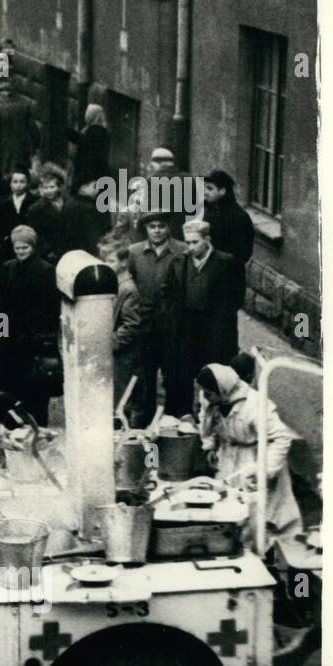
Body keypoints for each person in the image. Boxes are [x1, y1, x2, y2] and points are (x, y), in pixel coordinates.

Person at [196, 364, 301, 544]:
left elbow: (281, 437)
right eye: (203, 392)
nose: (205, 396)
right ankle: (237, 548)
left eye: (209, 393)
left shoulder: (255, 405)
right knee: (232, 509)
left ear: (223, 389)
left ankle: (277, 556)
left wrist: (265, 469)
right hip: (230, 456)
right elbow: (208, 424)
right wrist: (211, 447)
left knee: (269, 514)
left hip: (256, 456)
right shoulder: (210, 398)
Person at [0, 224, 60, 426]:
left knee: (36, 389)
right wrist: (0, 335)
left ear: (33, 247)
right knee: (13, 389)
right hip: (11, 339)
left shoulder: (46, 270)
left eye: (25, 248)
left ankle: (39, 427)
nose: (21, 252)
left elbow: (51, 308)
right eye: (18, 248)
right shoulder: (8, 268)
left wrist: (43, 337)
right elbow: (1, 303)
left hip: (34, 341)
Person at [128, 212, 191, 424]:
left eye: (161, 226)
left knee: (173, 372)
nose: (156, 230)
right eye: (152, 226)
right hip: (144, 324)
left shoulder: (182, 251)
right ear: (146, 229)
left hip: (173, 324)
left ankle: (172, 418)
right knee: (144, 373)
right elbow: (129, 286)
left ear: (169, 228)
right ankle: (144, 417)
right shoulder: (135, 253)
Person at [164, 219, 240, 377]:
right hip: (187, 329)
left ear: (207, 240)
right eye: (188, 242)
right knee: (185, 373)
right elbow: (168, 293)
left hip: (214, 329)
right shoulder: (178, 263)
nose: (190, 247)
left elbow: (235, 298)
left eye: (195, 242)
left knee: (214, 374)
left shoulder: (225, 263)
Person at [99, 241, 146, 424]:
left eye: (111, 260)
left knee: (121, 396)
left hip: (124, 355)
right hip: (118, 353)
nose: (106, 265)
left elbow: (131, 325)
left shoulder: (128, 289)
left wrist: (111, 343)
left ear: (123, 263)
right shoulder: (115, 283)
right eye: (104, 260)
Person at [201, 169, 254, 316]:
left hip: (229, 282)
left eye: (210, 189)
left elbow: (244, 253)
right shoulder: (210, 210)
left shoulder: (239, 217)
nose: (205, 192)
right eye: (205, 188)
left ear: (223, 191)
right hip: (209, 279)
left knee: (225, 329)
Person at [0, 83, 39, 177]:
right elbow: (33, 129)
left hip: (1, 149)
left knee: (3, 175)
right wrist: (35, 147)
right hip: (22, 149)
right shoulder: (24, 106)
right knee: (20, 174)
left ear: (4, 95)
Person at [0, 165, 38, 264]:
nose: (18, 185)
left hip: (26, 245)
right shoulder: (1, 202)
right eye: (15, 182)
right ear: (10, 183)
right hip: (6, 245)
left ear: (27, 183)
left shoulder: (34, 202)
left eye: (22, 182)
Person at [24, 164, 67, 263]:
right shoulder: (35, 209)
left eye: (52, 187)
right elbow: (35, 234)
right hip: (47, 255)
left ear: (59, 187)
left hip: (67, 251)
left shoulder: (68, 204)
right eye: (45, 187)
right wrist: (47, 251)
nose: (48, 191)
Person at [59, 177, 111, 257]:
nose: (97, 189)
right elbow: (92, 234)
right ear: (83, 188)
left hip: (69, 252)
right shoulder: (88, 208)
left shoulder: (69, 203)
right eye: (94, 186)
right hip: (85, 253)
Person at [67, 103, 111, 190]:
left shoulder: (95, 133)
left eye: (88, 113)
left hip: (89, 182)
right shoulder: (96, 131)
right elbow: (82, 140)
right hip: (95, 180)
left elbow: (93, 160)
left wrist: (78, 182)